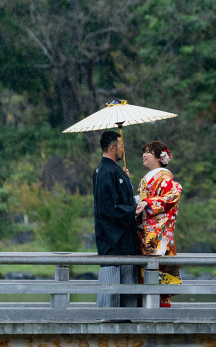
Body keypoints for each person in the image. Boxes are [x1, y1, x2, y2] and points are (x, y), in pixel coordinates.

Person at [93, 130, 141, 307]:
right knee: (112, 285)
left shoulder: (112, 170)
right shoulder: (106, 171)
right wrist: (133, 211)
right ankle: (109, 321)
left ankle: (126, 320)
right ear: (112, 147)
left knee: (127, 284)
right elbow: (108, 208)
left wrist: (125, 180)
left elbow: (120, 199)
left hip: (122, 238)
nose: (123, 150)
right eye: (121, 146)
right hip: (114, 239)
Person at [135, 140, 182, 308]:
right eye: (144, 152)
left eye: (148, 152)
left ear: (158, 157)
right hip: (144, 232)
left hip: (157, 233)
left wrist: (148, 202)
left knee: (157, 273)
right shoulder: (147, 178)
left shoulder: (165, 177)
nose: (144, 155)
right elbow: (142, 201)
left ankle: (160, 313)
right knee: (144, 274)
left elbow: (172, 197)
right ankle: (145, 310)